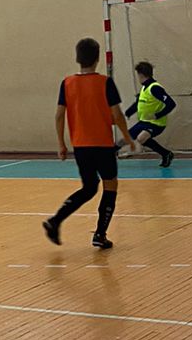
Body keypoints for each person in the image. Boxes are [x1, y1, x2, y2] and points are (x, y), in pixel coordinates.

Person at [43, 38, 136, 251]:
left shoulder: (67, 83)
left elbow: (59, 115)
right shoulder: (105, 82)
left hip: (80, 146)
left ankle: (55, 221)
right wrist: (128, 137)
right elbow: (117, 114)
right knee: (110, 185)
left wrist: (61, 144)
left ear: (78, 58)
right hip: (102, 144)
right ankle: (100, 234)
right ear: (97, 58)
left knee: (89, 187)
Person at [124, 60, 176, 168]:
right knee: (127, 137)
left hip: (156, 123)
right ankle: (166, 154)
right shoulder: (144, 88)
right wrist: (128, 113)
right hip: (144, 122)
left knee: (141, 138)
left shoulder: (155, 88)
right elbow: (138, 103)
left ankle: (165, 153)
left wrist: (157, 115)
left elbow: (171, 104)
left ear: (141, 75)